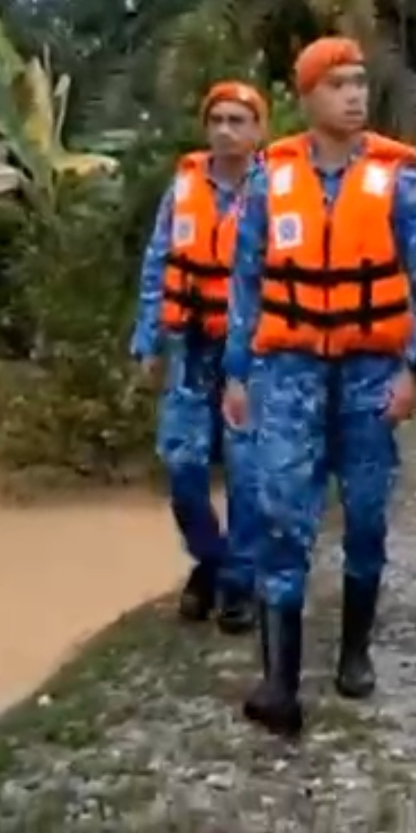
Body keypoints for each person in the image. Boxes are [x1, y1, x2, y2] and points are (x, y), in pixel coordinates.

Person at [221, 36, 416, 738]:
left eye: (359, 82)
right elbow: (247, 285)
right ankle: (280, 684)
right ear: (308, 96)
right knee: (283, 517)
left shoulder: (398, 182)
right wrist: (236, 373)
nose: (355, 94)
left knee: (367, 515)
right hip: (287, 373)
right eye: (338, 84)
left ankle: (354, 651)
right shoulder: (270, 180)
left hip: (368, 373)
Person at [128, 81, 267, 635]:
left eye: (239, 120)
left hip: (251, 354)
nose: (227, 130)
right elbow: (157, 262)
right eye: (218, 120)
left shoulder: (276, 191)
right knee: (183, 468)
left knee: (246, 474)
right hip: (190, 347)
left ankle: (239, 583)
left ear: (259, 130)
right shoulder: (183, 188)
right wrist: (147, 339)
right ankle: (211, 561)